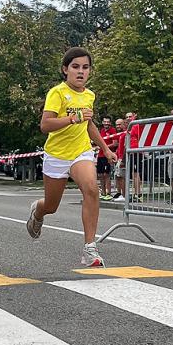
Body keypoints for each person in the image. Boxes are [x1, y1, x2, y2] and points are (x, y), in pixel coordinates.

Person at [26, 47, 117, 267]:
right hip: (57, 155)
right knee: (51, 206)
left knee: (92, 189)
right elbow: (45, 125)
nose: (80, 71)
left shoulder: (89, 95)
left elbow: (89, 125)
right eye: (75, 67)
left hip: (81, 152)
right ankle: (38, 211)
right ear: (65, 69)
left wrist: (105, 149)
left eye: (85, 67)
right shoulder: (57, 93)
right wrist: (72, 118)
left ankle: (90, 248)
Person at [97, 116, 117, 201]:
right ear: (102, 122)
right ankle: (103, 193)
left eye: (108, 122)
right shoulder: (101, 130)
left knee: (106, 174)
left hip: (107, 156)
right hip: (100, 155)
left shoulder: (113, 130)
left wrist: (104, 147)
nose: (106, 123)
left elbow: (115, 143)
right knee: (100, 175)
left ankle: (108, 193)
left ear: (110, 123)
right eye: (105, 122)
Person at [124, 111, 143, 202]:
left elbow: (141, 138)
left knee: (136, 173)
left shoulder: (136, 126)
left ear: (134, 117)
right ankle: (135, 193)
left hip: (136, 152)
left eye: (130, 116)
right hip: (130, 152)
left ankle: (138, 194)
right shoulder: (129, 127)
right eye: (127, 117)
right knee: (133, 173)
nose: (128, 118)